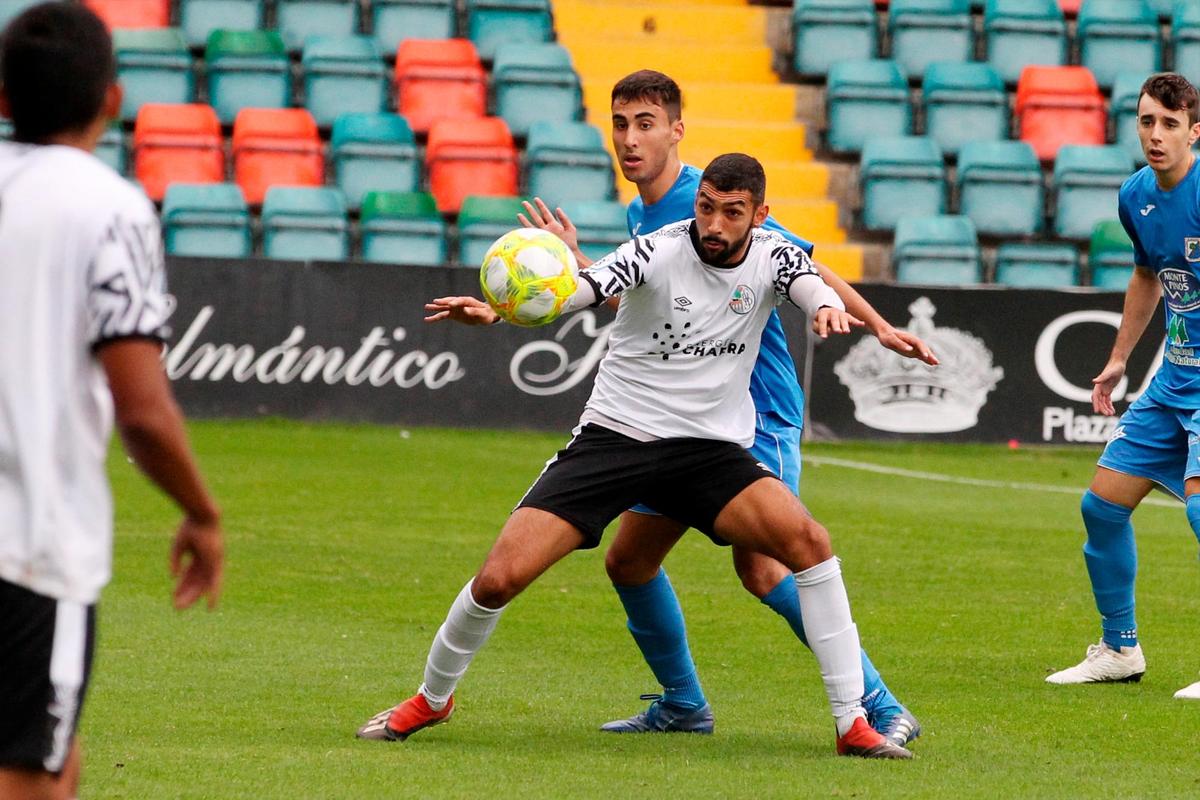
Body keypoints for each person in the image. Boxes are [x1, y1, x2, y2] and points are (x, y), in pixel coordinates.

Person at [358, 153, 912, 758]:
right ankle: (433, 698)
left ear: (760, 216)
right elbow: (581, 292)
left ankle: (853, 722)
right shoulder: (655, 249)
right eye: (707, 208)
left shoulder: (775, 255)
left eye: (732, 213)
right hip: (616, 441)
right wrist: (503, 310)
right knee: (498, 579)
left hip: (709, 454)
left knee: (809, 543)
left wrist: (830, 309)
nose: (715, 225)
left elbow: (809, 284)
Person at [0, 5, 225, 799]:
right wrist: (202, 512)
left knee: (57, 763)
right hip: (30, 542)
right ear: (112, 99)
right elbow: (141, 407)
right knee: (31, 772)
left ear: (2, 99)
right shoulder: (112, 208)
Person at [1046, 72, 1200, 698]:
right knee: (1102, 506)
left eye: (1169, 123)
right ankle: (1119, 649)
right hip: (1174, 379)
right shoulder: (1136, 195)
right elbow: (1146, 276)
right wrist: (1118, 360)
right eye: (1146, 121)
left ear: (1196, 130)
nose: (1155, 135)